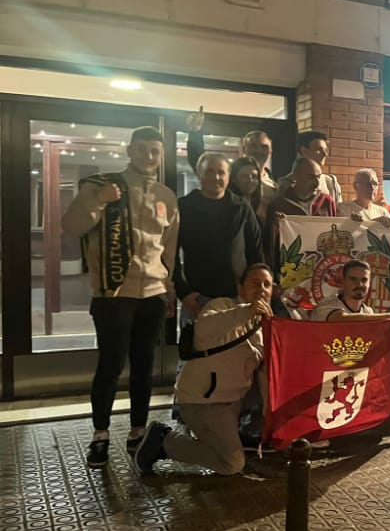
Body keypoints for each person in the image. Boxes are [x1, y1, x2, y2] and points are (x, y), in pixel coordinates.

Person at [62, 126, 179, 468]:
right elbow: (71, 226)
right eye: (141, 149)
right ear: (130, 151)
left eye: (154, 151)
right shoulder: (101, 186)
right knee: (111, 365)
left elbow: (169, 248)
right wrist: (99, 202)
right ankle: (100, 435)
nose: (148, 156)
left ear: (161, 155)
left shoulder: (166, 196)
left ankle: (138, 432)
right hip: (113, 294)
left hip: (153, 293)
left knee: (143, 366)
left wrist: (169, 287)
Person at [134, 264, 274, 476]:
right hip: (204, 402)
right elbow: (205, 327)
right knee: (232, 463)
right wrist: (246, 311)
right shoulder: (222, 306)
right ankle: (164, 440)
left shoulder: (265, 324)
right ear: (240, 288)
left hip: (233, 401)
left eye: (267, 285)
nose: (262, 289)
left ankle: (238, 433)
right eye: (255, 283)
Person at [175, 152, 263, 328]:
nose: (215, 177)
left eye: (221, 172)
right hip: (197, 299)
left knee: (239, 353)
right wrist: (183, 293)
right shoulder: (184, 207)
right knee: (197, 353)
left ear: (229, 177)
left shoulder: (241, 207)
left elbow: (256, 252)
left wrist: (253, 290)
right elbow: (170, 254)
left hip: (237, 298)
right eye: (209, 171)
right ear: (199, 173)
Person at [265, 157, 338, 266]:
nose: (316, 182)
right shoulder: (278, 205)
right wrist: (274, 227)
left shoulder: (326, 201)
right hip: (291, 267)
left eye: (318, 177)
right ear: (295, 176)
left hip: (321, 265)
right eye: (310, 177)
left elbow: (336, 232)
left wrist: (354, 223)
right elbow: (269, 244)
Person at [275, 131, 343, 204]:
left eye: (326, 150)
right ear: (303, 151)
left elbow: (337, 211)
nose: (325, 154)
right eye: (319, 150)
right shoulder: (285, 183)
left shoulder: (330, 183)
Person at [229, 156, 266, 222]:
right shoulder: (228, 206)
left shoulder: (261, 207)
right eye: (244, 176)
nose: (250, 180)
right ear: (233, 179)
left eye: (254, 176)